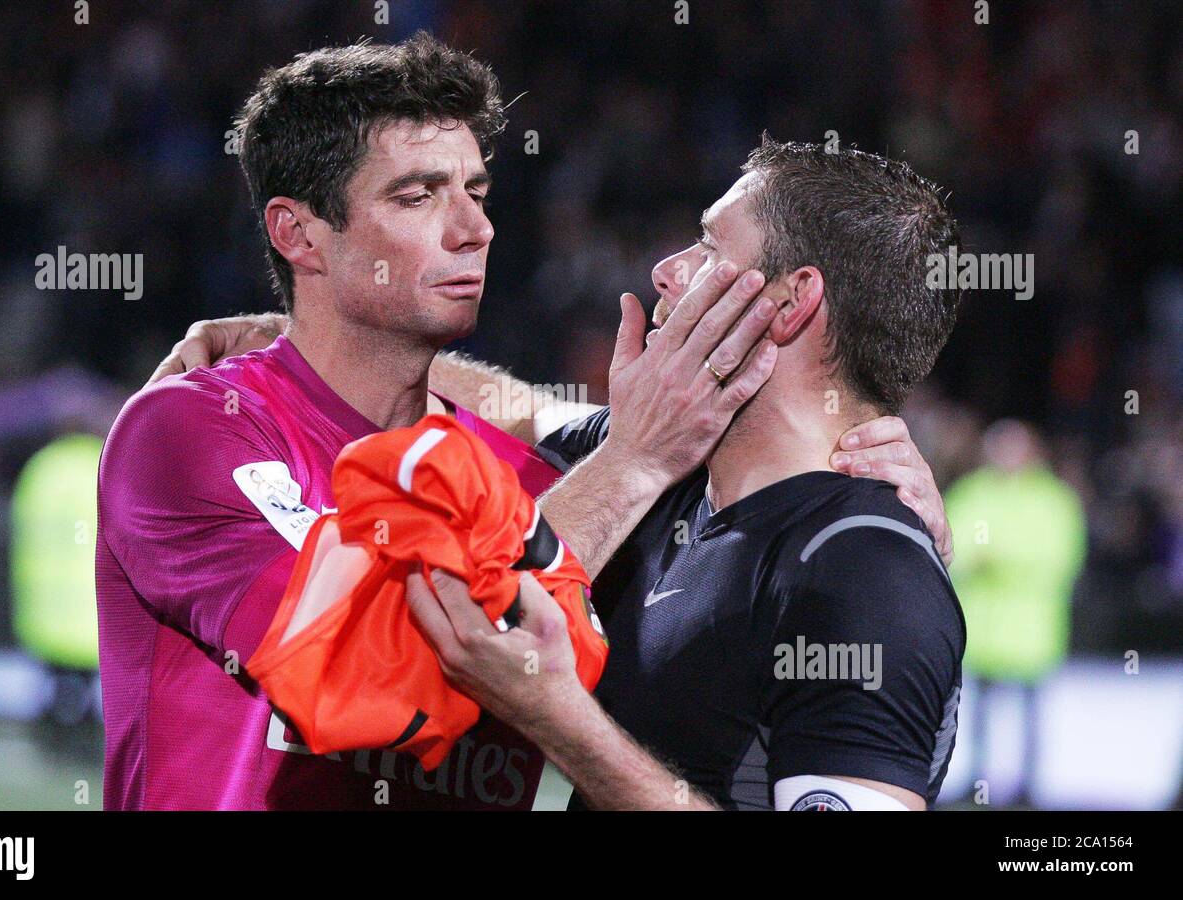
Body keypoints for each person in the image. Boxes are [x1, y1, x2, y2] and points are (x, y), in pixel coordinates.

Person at [125, 35, 951, 810]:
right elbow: (358, 669)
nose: (476, 229)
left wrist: (891, 545)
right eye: (418, 196)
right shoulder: (197, 429)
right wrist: (300, 337)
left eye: (478, 194)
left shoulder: (599, 494)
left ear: (791, 300)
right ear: (297, 233)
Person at [400, 138, 967, 811]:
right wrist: (288, 339)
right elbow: (517, 410)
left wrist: (559, 719)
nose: (668, 269)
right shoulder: (664, 465)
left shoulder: (863, 570)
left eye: (708, 247)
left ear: (790, 303)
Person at [944, 418, 1086, 807]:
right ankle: (977, 782)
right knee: (978, 718)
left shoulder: (1054, 500)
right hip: (986, 633)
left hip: (1030, 633)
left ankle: (1027, 787)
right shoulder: (974, 492)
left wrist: (1000, 560)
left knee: (1030, 717)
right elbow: (950, 545)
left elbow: (1061, 558)